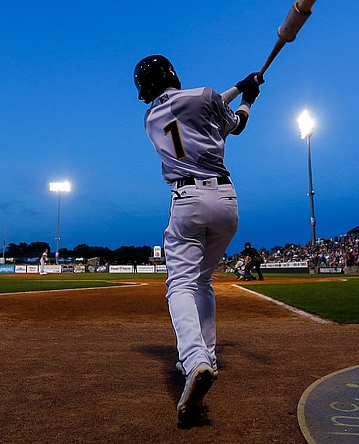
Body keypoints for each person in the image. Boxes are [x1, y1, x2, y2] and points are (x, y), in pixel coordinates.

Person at [134, 54, 262, 426]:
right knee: (203, 281)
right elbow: (234, 124)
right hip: (226, 201)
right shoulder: (205, 96)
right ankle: (208, 355)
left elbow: (198, 108)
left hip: (187, 202)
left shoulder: (151, 119)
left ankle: (196, 360)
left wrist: (240, 85)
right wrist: (248, 98)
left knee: (180, 286)